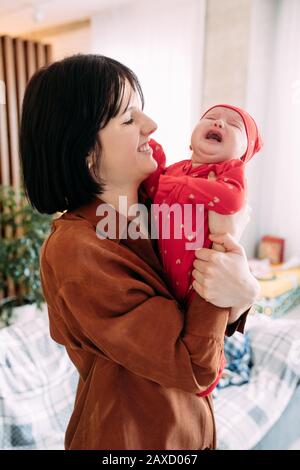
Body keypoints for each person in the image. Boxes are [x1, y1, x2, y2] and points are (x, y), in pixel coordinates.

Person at [19, 54, 259, 450]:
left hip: (190, 432)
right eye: (129, 120)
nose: (151, 126)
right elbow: (194, 364)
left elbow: (197, 303)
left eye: (141, 112)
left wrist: (243, 291)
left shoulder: (154, 213)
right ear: (86, 153)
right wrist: (221, 261)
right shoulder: (77, 250)